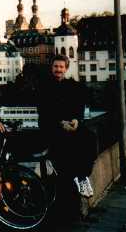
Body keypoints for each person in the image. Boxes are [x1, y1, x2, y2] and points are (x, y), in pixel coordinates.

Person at [37, 54, 96, 198]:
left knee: (90, 137)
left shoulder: (72, 86)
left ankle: (82, 177)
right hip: (50, 125)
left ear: (66, 69)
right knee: (69, 143)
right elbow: (44, 112)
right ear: (52, 68)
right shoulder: (43, 86)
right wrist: (60, 123)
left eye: (61, 67)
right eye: (56, 66)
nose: (58, 69)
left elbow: (77, 107)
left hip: (69, 125)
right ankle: (80, 177)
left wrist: (76, 120)